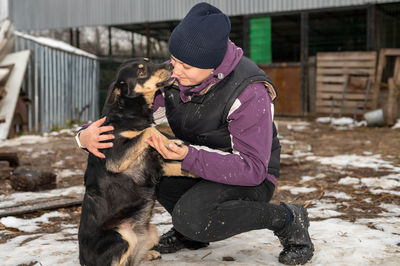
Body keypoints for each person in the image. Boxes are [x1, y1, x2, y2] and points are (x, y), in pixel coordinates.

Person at [76, 2, 314, 265]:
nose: (175, 71)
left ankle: (288, 218)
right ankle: (192, 235)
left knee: (193, 218)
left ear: (211, 65)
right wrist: (84, 136)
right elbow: (126, 118)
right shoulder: (178, 74)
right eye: (174, 60)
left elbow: (253, 168)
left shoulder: (249, 93)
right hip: (199, 164)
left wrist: (188, 156)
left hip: (249, 175)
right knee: (150, 170)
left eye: (185, 66)